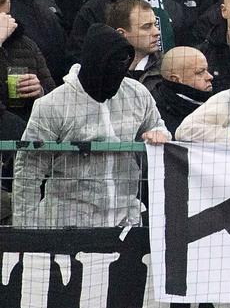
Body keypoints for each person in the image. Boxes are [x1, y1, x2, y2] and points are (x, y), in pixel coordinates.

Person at [13, 23, 168, 227]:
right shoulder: (53, 105)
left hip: (125, 221)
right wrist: (24, 229)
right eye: (112, 65)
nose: (117, 72)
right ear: (95, 62)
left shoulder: (137, 94)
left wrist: (158, 133)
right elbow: (28, 171)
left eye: (124, 64)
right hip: (68, 224)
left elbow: (157, 126)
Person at [148, 44, 213, 133]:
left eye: (207, 70)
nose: (210, 77)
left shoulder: (217, 104)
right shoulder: (154, 113)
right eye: (200, 72)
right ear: (176, 79)